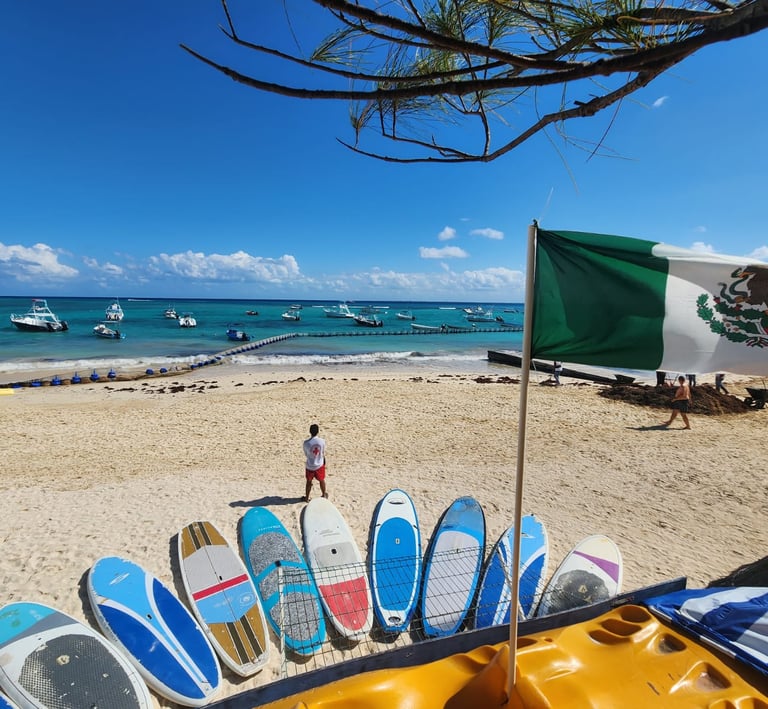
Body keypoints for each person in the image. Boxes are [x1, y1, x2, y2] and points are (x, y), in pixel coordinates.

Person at [303, 423, 328, 502]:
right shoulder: (322, 441)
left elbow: (306, 454)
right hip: (319, 464)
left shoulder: (306, 443)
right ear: (318, 431)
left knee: (309, 481)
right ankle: (324, 494)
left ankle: (307, 498)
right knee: (321, 480)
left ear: (310, 432)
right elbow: (322, 451)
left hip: (310, 465)